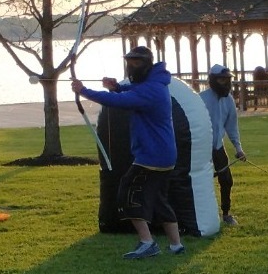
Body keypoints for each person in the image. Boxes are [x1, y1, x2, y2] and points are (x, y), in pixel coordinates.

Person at [71, 45, 185, 260]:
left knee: (127, 193)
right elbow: (131, 94)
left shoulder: (151, 89)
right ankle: (176, 245)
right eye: (129, 62)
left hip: (152, 156)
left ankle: (147, 242)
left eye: (137, 62)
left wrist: (83, 91)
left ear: (147, 63)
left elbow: (120, 102)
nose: (132, 66)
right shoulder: (154, 84)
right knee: (159, 200)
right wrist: (117, 88)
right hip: (162, 155)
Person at [200, 63, 247, 227]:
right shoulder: (201, 99)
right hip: (200, 149)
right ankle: (199, 215)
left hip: (218, 147)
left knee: (226, 180)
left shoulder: (229, 101)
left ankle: (226, 214)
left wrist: (238, 149)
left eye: (227, 80)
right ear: (212, 80)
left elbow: (232, 127)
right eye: (221, 80)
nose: (226, 84)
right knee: (200, 181)